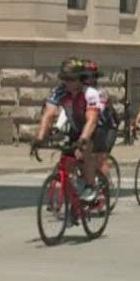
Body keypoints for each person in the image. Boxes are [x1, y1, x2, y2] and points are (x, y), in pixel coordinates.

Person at [34, 58, 107, 203]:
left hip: (94, 128)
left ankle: (90, 186)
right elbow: (48, 114)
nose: (68, 83)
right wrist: (39, 138)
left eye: (72, 79)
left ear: (80, 79)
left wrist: (83, 140)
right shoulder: (59, 91)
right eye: (65, 79)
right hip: (75, 128)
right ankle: (72, 200)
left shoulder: (90, 93)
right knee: (67, 161)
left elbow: (92, 120)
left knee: (85, 149)